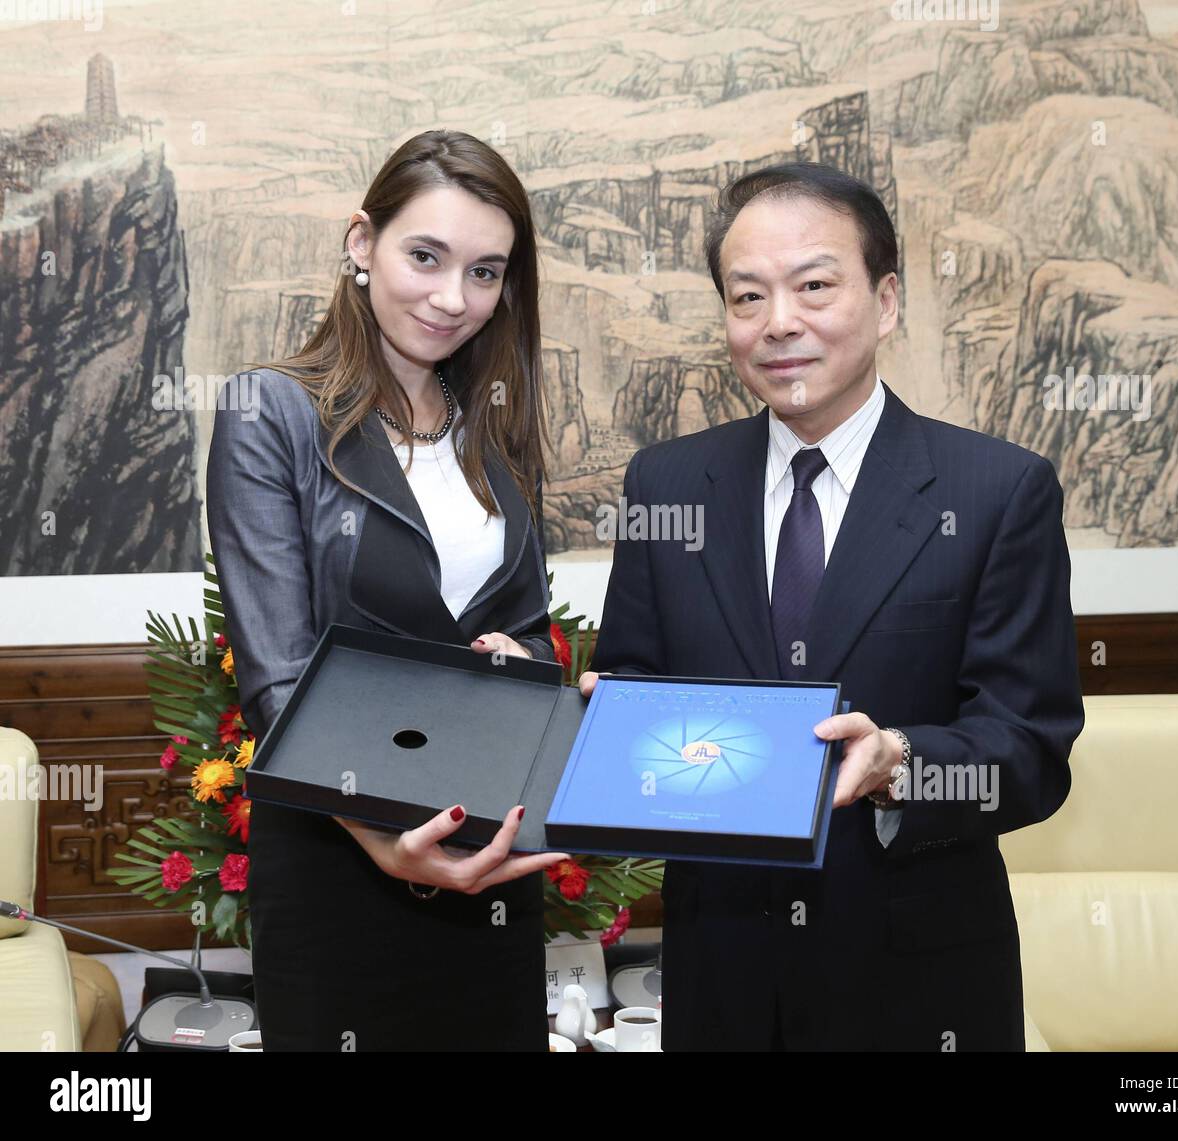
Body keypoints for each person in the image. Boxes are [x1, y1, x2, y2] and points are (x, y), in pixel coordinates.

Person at [581, 161, 1085, 1051]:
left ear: (886, 301)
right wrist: (593, 720)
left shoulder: (999, 490)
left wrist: (897, 762)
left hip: (915, 983)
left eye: (815, 285)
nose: (780, 323)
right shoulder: (665, 483)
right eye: (747, 297)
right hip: (719, 973)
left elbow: (1032, 754)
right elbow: (635, 688)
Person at [206, 129, 567, 1051]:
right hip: (340, 856)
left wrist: (523, 659)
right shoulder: (271, 412)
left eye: (486, 272)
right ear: (362, 243)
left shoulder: (495, 423)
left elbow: (526, 627)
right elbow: (278, 679)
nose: (454, 299)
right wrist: (386, 843)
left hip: (487, 854)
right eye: (426, 256)